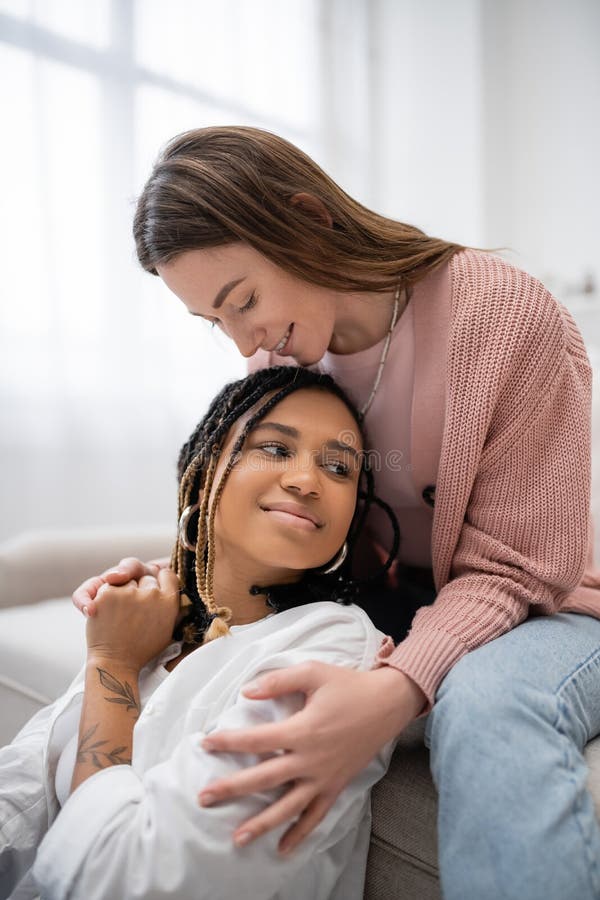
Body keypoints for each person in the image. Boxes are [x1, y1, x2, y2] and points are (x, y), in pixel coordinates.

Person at [73, 126, 600, 900]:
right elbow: (268, 520)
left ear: (309, 218)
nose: (243, 341)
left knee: (489, 705)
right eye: (216, 322)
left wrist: (394, 692)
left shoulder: (502, 314)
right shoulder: (282, 355)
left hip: (544, 605)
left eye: (243, 299)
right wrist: (177, 576)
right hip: (391, 601)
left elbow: (519, 567)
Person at [0, 366, 409, 900]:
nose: (307, 480)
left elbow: (132, 880)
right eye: (277, 450)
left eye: (338, 468)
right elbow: (20, 803)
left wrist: (113, 667)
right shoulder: (155, 622)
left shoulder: (331, 647)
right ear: (207, 467)